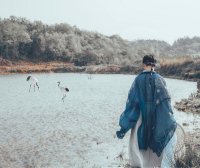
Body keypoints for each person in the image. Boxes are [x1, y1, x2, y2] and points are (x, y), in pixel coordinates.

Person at [116, 55, 177, 168]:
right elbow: (166, 101)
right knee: (155, 139)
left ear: (144, 64)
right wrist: (168, 117)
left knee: (138, 144)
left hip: (140, 119)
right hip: (156, 118)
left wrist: (124, 126)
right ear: (154, 65)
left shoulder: (138, 79)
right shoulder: (160, 79)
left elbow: (132, 103)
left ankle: (141, 165)